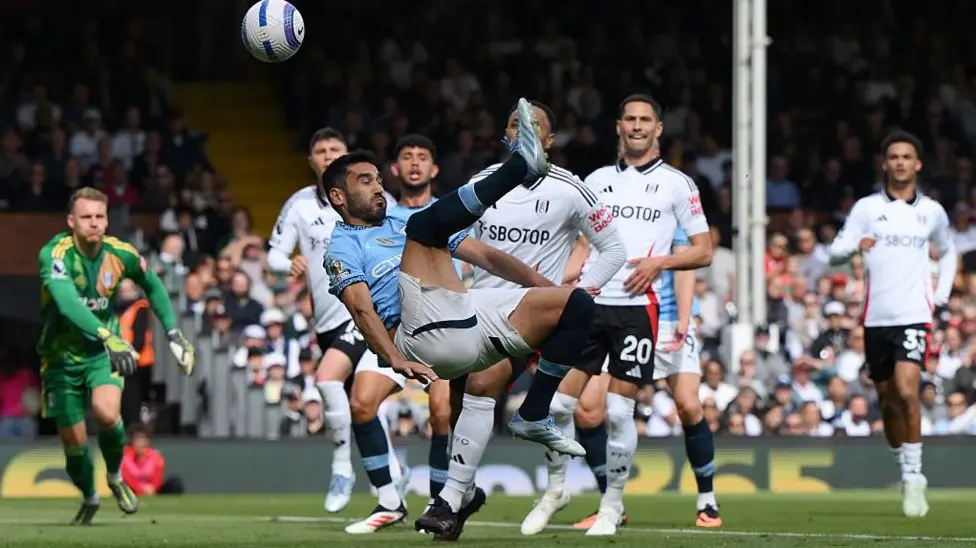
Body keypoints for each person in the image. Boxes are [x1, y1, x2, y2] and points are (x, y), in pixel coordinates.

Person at [325, 99, 593, 540]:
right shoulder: (342, 248)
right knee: (425, 229)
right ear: (338, 197)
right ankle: (518, 168)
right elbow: (361, 309)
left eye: (377, 178)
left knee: (577, 304)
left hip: (461, 319)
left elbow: (486, 255)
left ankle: (533, 413)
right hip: (419, 339)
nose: (377, 187)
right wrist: (394, 358)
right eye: (364, 181)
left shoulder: (404, 222)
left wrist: (545, 288)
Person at [426, 99, 626, 533]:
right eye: (516, 123)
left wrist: (579, 294)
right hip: (475, 309)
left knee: (483, 385)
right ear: (505, 134)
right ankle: (466, 493)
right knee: (451, 406)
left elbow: (615, 248)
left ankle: (446, 502)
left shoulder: (571, 188)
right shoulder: (484, 183)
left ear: (550, 141)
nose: (524, 130)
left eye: (534, 126)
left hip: (529, 313)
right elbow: (456, 239)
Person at [547, 94, 714, 537]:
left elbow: (700, 250)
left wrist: (659, 265)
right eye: (630, 119)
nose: (637, 126)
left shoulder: (678, 184)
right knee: (581, 410)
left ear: (659, 128)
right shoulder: (596, 181)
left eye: (646, 120)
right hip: (599, 308)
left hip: (652, 310)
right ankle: (608, 502)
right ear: (619, 126)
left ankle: (707, 498)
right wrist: (561, 283)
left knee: (684, 405)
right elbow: (581, 244)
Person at [266, 128, 407, 513]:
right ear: (311, 161)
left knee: (326, 379)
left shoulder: (378, 200)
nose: (328, 154)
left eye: (336, 149)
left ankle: (342, 467)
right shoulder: (299, 205)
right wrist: (286, 266)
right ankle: (392, 473)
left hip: (369, 313)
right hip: (326, 320)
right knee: (359, 405)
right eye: (321, 150)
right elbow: (274, 256)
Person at [37, 187, 195, 525]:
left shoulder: (121, 253)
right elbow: (67, 304)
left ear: (107, 219)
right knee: (74, 440)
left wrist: (172, 332)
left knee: (107, 414)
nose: (94, 223)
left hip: (100, 353)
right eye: (86, 217)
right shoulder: (55, 255)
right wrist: (110, 334)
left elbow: (152, 285)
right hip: (60, 357)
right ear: (71, 221)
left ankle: (114, 477)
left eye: (99, 216)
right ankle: (89, 494)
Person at [828, 130, 956, 518]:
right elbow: (835, 252)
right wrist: (855, 246)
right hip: (876, 318)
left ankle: (915, 478)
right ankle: (904, 465)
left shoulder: (931, 211)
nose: (900, 162)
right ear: (885, 164)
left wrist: (942, 294)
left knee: (907, 388)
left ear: (917, 164)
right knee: (886, 400)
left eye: (907, 157)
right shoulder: (867, 208)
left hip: (913, 315)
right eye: (894, 157)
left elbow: (949, 252)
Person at [342, 134, 462, 534]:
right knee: (360, 403)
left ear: (434, 169)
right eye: (406, 157)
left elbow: (470, 261)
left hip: (440, 328)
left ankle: (438, 503)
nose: (414, 163)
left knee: (442, 412)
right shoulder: (381, 215)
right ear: (393, 170)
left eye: (422, 157)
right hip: (395, 332)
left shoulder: (449, 213)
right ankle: (390, 501)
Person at [120, 424, 184, 496]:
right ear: (132, 441)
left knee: (175, 483)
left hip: (152, 491)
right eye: (137, 440)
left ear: (147, 441)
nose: (140, 443)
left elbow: (158, 477)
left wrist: (153, 488)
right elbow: (126, 477)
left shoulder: (156, 456)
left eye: (143, 440)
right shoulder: (125, 456)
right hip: (133, 491)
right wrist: (140, 489)